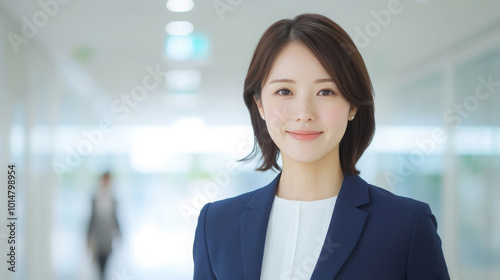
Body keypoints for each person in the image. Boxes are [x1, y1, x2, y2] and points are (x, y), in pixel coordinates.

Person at [193, 13, 450, 279]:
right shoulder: (217, 225)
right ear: (260, 104)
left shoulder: (405, 225)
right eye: (284, 91)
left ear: (352, 106)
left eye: (325, 92)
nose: (304, 113)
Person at [87, 171, 121, 280]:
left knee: (106, 263)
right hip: (97, 236)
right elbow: (91, 219)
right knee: (98, 264)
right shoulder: (95, 198)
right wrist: (88, 237)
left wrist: (120, 233)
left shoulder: (113, 199)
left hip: (108, 237)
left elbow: (115, 218)